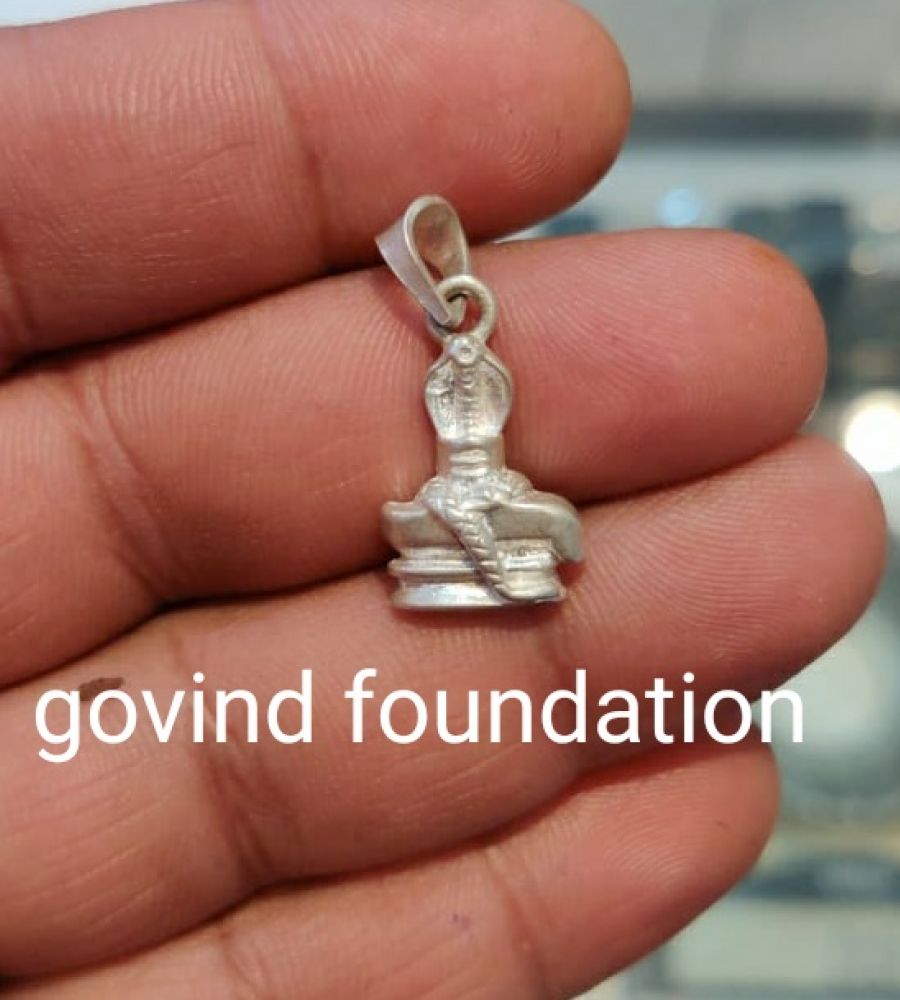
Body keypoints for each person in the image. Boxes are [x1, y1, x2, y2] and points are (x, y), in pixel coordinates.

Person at [0, 0, 885, 996]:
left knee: (530, 519)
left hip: (487, 497)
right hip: (454, 506)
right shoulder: (453, 391)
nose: (465, 378)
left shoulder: (482, 388)